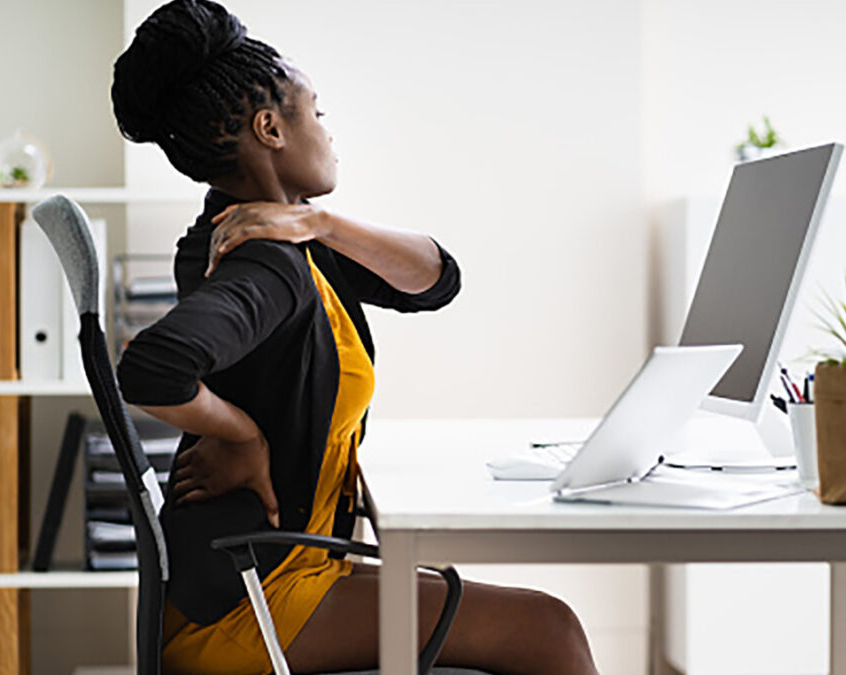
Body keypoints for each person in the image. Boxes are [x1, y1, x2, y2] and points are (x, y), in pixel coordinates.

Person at [111, 1, 599, 673]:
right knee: (551, 630)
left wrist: (324, 225)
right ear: (270, 128)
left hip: (278, 563)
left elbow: (435, 279)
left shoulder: (284, 238)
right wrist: (240, 433)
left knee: (542, 624)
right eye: (317, 113)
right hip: (250, 598)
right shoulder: (262, 260)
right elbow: (151, 366)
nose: (328, 133)